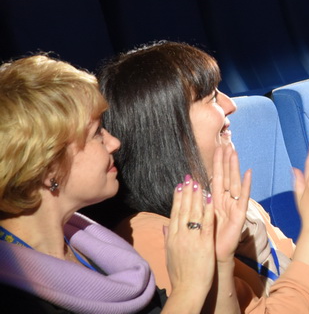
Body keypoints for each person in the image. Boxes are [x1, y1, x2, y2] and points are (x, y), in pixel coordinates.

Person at [98, 42, 309, 314]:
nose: (230, 105)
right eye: (211, 97)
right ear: (168, 128)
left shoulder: (234, 205)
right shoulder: (152, 238)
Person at [0, 54, 216, 313]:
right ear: (47, 168)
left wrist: (222, 260)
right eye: (96, 134)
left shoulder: (95, 247)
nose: (114, 143)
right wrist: (189, 288)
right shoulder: (13, 298)